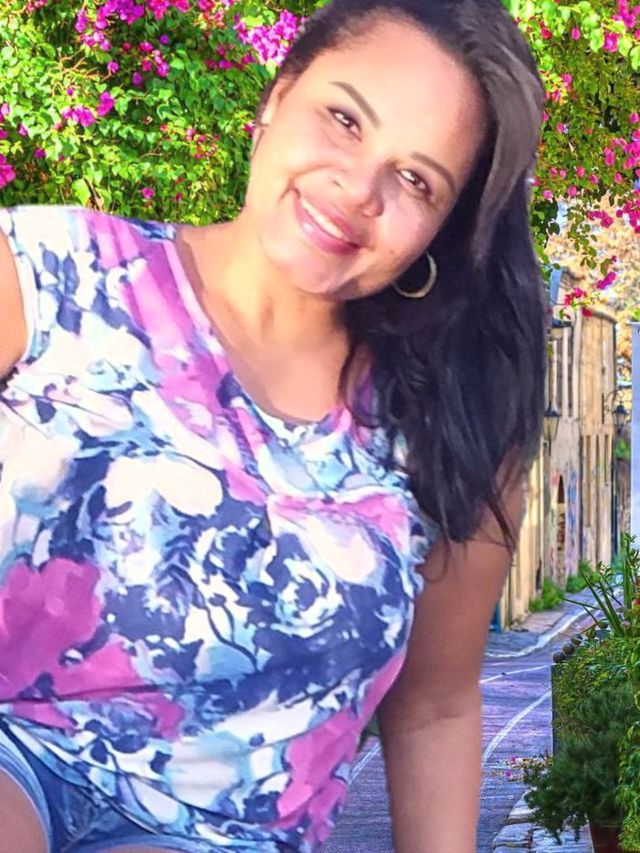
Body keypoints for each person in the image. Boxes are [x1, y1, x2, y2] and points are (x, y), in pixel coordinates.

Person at [0, 0, 547, 849]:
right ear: (277, 96)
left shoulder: (450, 424)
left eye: (415, 180)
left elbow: (435, 707)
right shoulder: (47, 275)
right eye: (344, 119)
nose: (356, 190)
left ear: (441, 230)